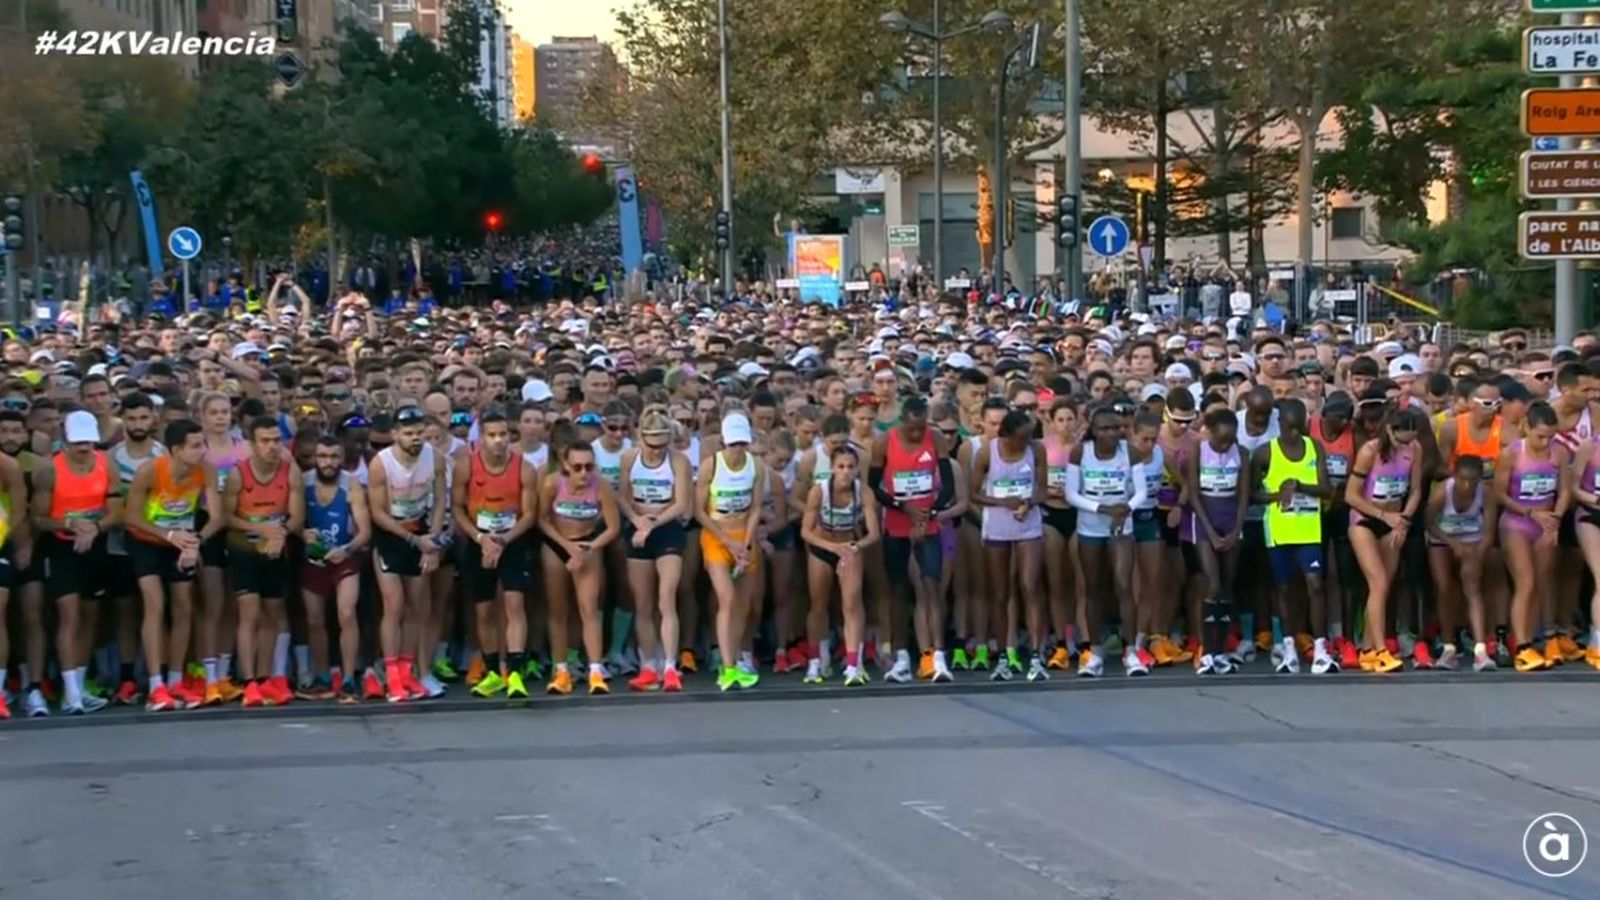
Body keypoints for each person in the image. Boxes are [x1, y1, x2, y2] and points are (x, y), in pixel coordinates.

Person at [124, 419, 222, 710]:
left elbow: (217, 517)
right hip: (147, 539)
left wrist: (194, 542)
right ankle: (156, 684)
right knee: (154, 603)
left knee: (184, 606)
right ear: (175, 449)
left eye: (203, 444)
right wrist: (168, 535)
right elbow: (131, 517)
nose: (202, 451)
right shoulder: (151, 471)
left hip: (182, 540)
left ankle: (177, 680)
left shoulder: (206, 470)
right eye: (194, 446)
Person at [32, 410, 121, 714]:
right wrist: (70, 524)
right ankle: (70, 693)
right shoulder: (49, 470)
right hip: (62, 549)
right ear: (66, 440)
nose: (84, 449)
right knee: (69, 617)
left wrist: (95, 528)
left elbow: (116, 509)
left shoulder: (106, 463)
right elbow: (39, 518)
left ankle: (80, 687)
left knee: (89, 617)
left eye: (89, 442)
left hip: (95, 547)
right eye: (78, 442)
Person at [454, 408, 539, 699]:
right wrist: (481, 539)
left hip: (512, 540)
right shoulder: (467, 465)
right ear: (481, 439)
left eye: (503, 434)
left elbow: (529, 514)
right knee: (484, 608)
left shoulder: (523, 468)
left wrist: (502, 541)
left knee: (514, 603)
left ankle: (514, 672)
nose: (499, 441)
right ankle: (492, 672)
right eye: (492, 435)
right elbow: (457, 507)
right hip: (479, 541)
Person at [367, 404, 448, 702]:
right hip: (392, 535)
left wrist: (433, 539)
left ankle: (408, 669)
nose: (416, 439)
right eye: (409, 434)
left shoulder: (435, 458)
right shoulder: (381, 464)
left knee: (417, 606)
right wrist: (414, 541)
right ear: (395, 434)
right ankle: (392, 675)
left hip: (421, 530)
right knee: (395, 605)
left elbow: (440, 501)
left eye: (419, 433)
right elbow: (378, 512)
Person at [225, 415, 306, 708]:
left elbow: (296, 515)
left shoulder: (289, 471)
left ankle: (265, 678)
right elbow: (227, 517)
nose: (273, 447)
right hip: (244, 551)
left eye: (277, 440)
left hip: (275, 550)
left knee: (273, 612)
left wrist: (281, 532)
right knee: (250, 613)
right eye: (265, 441)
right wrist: (259, 529)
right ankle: (248, 682)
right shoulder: (238, 474)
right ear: (252, 444)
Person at [1251, 399, 1335, 675]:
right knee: (1284, 588)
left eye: (1299, 428)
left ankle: (1321, 648)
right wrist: (1278, 495)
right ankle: (1288, 648)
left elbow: (1326, 489)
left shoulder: (1315, 448)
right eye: (1289, 428)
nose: (1294, 433)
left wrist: (1301, 487)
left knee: (1315, 584)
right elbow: (1253, 494)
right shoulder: (1266, 452)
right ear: (1279, 425)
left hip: (1309, 528)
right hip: (1279, 530)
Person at [1066, 405, 1145, 677]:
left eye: (1116, 428)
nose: (1112, 433)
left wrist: (1125, 509)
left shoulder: (1130, 452)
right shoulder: (1081, 453)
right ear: (1094, 430)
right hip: (1090, 528)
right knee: (1093, 587)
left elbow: (1141, 492)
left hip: (1122, 527)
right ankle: (1096, 651)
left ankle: (1132, 651)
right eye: (1105, 429)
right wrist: (1102, 509)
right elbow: (1072, 495)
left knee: (1123, 584)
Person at [617, 409, 692, 692]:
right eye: (652, 445)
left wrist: (652, 524)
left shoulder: (678, 461)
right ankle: (648, 665)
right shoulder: (629, 459)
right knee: (643, 603)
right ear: (641, 439)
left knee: (666, 598)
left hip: (666, 528)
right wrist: (637, 521)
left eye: (663, 445)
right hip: (638, 529)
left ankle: (670, 665)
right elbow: (623, 497)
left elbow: (681, 503)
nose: (657, 452)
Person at [538, 439, 621, 695]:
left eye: (589, 467)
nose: (584, 473)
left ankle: (596, 670)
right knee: (558, 610)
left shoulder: (602, 486)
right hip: (557, 543)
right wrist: (566, 546)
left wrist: (588, 549)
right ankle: (561, 670)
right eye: (577, 467)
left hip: (588, 544)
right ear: (565, 465)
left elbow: (613, 527)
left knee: (589, 609)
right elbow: (542, 519)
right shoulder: (553, 483)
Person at [1345, 408, 1424, 674]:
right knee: (1377, 581)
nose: (1407, 444)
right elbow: (1351, 495)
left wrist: (1404, 519)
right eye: (1402, 439)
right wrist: (1383, 516)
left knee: (1383, 587)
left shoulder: (1415, 449)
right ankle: (1380, 649)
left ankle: (1367, 648)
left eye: (1410, 439)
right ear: (1390, 430)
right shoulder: (1371, 451)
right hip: (1366, 519)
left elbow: (1415, 490)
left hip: (1395, 519)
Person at [871, 396, 944, 683]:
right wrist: (903, 508)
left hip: (928, 523)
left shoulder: (935, 438)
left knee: (931, 585)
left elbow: (947, 482)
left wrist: (929, 514)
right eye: (912, 429)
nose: (917, 434)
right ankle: (901, 656)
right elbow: (873, 486)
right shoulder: (884, 442)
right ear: (902, 422)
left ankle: (938, 656)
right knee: (898, 589)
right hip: (897, 523)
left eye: (921, 428)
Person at [1494, 401, 1570, 672]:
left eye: (1550, 436)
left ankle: (1529, 639)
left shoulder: (1558, 453)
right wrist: (1530, 512)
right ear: (1527, 427)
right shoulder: (1512, 453)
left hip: (1546, 523)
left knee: (1539, 582)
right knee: (1525, 581)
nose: (1545, 441)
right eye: (1540, 436)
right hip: (1517, 522)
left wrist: (1555, 520)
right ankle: (1523, 646)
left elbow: (1564, 491)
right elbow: (1499, 493)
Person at [697, 413, 767, 692]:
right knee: (726, 598)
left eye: (742, 443)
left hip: (744, 536)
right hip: (717, 535)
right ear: (724, 441)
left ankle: (736, 659)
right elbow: (699, 511)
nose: (738, 449)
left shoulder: (756, 466)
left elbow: (756, 507)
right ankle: (726, 668)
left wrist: (746, 543)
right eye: (733, 443)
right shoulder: (710, 466)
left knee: (743, 604)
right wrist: (727, 541)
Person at [800, 444, 879, 685]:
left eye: (851, 467)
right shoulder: (819, 491)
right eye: (841, 467)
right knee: (818, 605)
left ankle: (854, 664)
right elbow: (806, 530)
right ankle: (815, 662)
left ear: (857, 469)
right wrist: (832, 548)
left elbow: (874, 533)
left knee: (852, 604)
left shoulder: (863, 492)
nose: (846, 472)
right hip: (823, 547)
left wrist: (856, 547)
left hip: (850, 546)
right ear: (832, 468)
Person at [301, 435, 372, 703]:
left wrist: (347, 549)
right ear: (315, 458)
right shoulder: (303, 481)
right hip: (314, 559)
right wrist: (301, 532)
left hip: (344, 557)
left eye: (333, 457)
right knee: (315, 620)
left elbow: (365, 531)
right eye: (322, 457)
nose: (328, 463)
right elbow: (292, 518)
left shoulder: (351, 484)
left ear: (341, 459)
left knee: (346, 612)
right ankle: (321, 677)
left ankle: (349, 678)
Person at [1424, 453, 1495, 672]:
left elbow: (1489, 533)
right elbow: (1429, 523)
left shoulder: (1486, 493)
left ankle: (1481, 651)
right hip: (1443, 537)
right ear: (1454, 475)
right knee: (1444, 587)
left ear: (1480, 479)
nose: (1467, 485)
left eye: (1473, 480)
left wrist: (1477, 556)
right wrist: (1453, 544)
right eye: (1463, 479)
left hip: (1472, 539)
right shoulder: (1442, 492)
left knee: (1472, 588)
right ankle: (1448, 648)